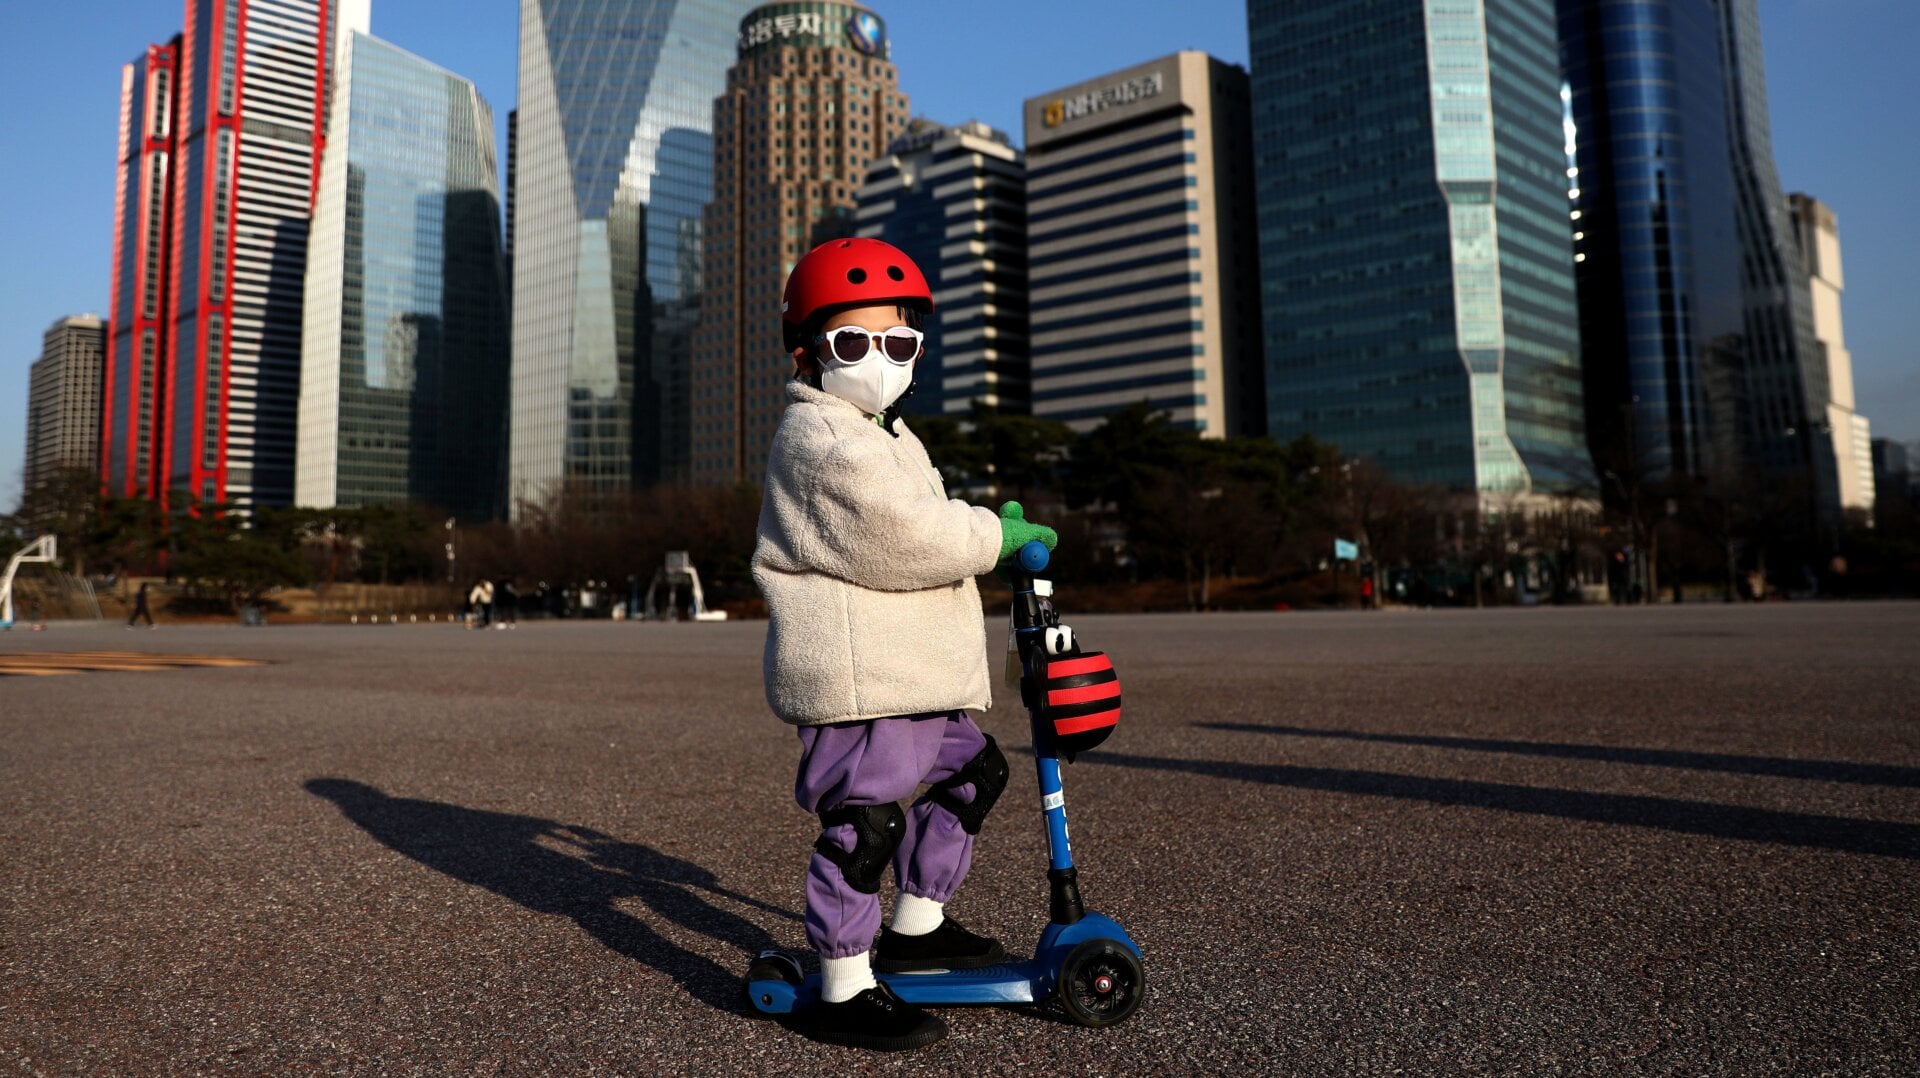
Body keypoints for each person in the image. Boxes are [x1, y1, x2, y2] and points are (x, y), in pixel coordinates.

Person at [753, 238, 1057, 1052]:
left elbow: (923, 524)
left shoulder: (886, 434)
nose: (879, 360)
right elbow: (901, 538)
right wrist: (995, 533)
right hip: (862, 682)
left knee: (974, 773)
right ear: (809, 352)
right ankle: (843, 983)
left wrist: (983, 532)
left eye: (899, 343)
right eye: (854, 343)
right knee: (866, 826)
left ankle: (917, 926)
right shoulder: (820, 439)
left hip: (911, 676)